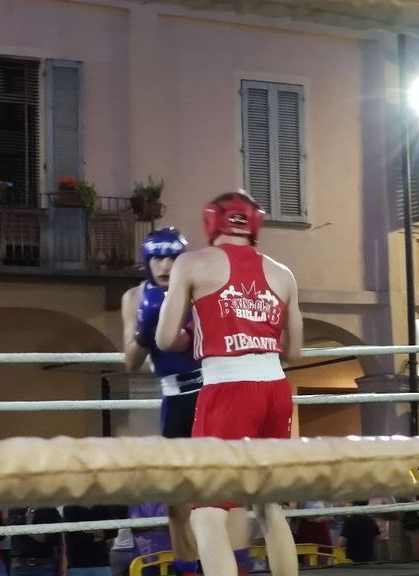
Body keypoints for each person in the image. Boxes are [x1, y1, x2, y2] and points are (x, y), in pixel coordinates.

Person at [156, 189, 303, 576]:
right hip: (276, 387)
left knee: (206, 512)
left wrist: (192, 335)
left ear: (211, 220)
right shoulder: (283, 273)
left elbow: (164, 338)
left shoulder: (192, 263)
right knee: (267, 504)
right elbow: (295, 351)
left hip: (228, 387)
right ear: (255, 223)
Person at [121, 228, 203, 576]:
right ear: (147, 261)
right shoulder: (134, 297)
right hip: (174, 397)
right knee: (175, 494)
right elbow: (130, 361)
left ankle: (227, 564)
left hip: (210, 390)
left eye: (173, 257)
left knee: (218, 489)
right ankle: (188, 567)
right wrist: (146, 327)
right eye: (158, 258)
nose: (166, 265)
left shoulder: (200, 290)